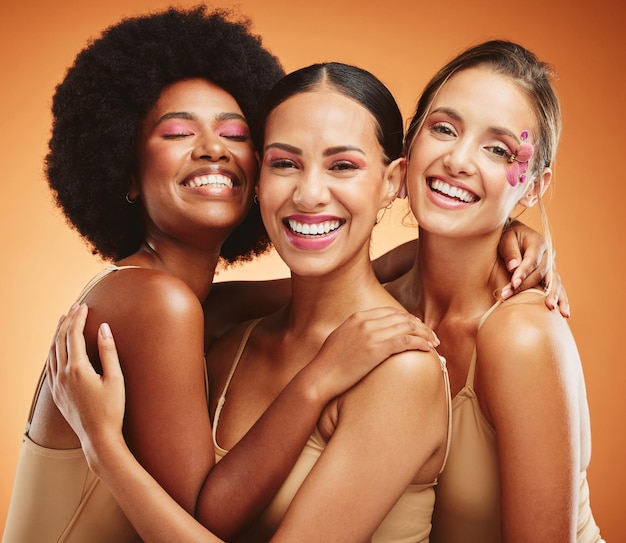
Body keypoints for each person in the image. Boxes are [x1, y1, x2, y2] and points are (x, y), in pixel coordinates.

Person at [2, 9, 439, 543]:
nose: (213, 148)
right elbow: (207, 522)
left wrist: (417, 258)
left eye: (235, 133)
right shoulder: (162, 305)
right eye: (179, 132)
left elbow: (252, 301)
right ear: (124, 171)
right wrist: (103, 447)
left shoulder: (192, 305)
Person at [384, 39, 603, 542]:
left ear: (531, 187)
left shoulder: (522, 335)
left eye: (498, 149)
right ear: (410, 144)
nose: (458, 159)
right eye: (443, 128)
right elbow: (236, 308)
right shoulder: (381, 306)